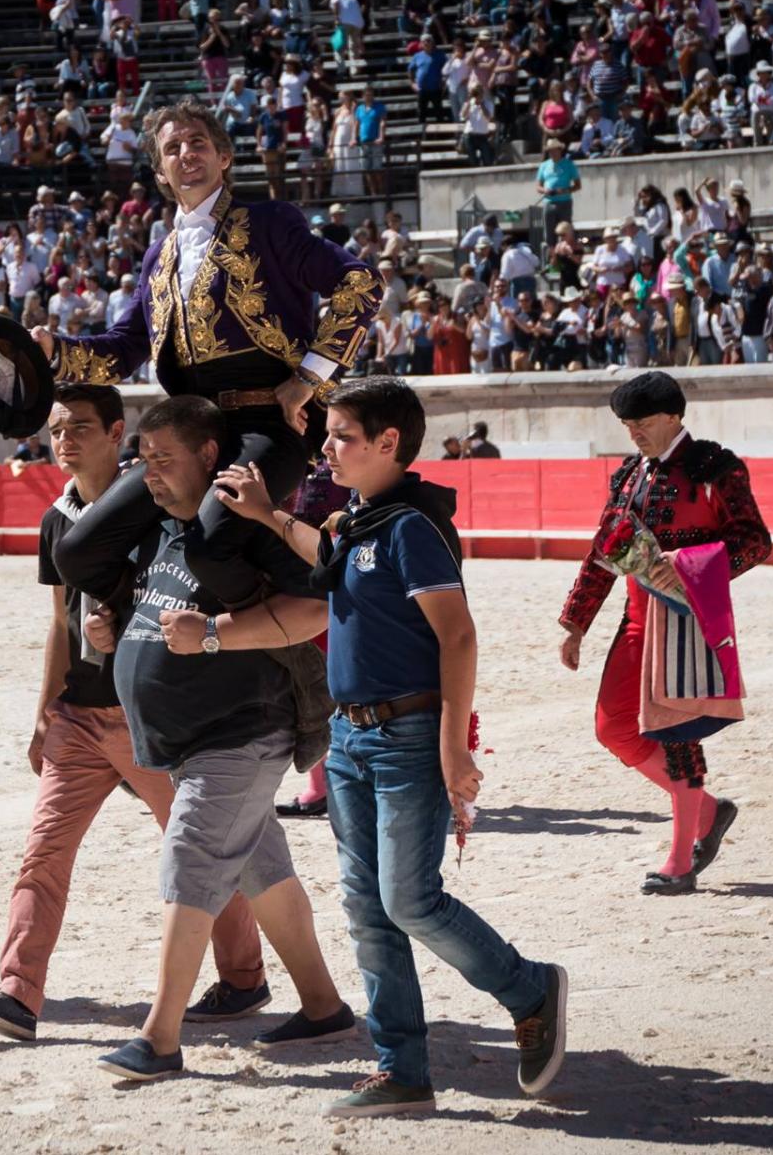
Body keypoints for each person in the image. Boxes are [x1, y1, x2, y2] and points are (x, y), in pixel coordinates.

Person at [215, 378, 568, 1114]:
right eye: (328, 433)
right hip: (349, 739)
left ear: (388, 445)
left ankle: (531, 987)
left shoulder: (410, 527)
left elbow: (459, 635)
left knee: (409, 899)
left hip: (406, 735)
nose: (327, 447)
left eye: (342, 435)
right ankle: (401, 1068)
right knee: (369, 907)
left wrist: (452, 746)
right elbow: (327, 552)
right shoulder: (360, 522)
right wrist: (271, 516)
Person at [0, 385, 269, 1042]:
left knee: (201, 857)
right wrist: (44, 709)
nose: (63, 439)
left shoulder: (152, 507)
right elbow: (58, 623)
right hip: (79, 716)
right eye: (56, 427)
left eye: (79, 427)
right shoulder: (56, 517)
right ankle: (17, 992)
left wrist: (124, 625)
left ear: (116, 432)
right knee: (43, 853)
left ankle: (243, 977)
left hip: (146, 717)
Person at [85, 395, 354, 1084]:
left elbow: (311, 608)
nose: (149, 473)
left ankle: (159, 1036)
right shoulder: (164, 526)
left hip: (242, 728)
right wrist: (121, 635)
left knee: (192, 858)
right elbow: (160, 603)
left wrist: (210, 635)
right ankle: (323, 1007)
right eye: (143, 460)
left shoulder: (245, 526)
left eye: (164, 458)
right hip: (196, 737)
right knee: (262, 872)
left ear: (210, 456)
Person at [33, 97, 380, 614]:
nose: (186, 153)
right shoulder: (158, 256)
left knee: (212, 545)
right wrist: (53, 351)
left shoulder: (268, 222)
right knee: (77, 551)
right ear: (160, 173)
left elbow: (359, 282)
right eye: (173, 148)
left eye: (199, 143)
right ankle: (147, 618)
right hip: (188, 434)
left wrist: (309, 378)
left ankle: (296, 630)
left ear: (224, 158)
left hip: (270, 422)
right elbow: (124, 349)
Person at [558, 373, 771, 894]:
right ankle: (706, 811)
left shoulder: (714, 468)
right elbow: (604, 550)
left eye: (644, 422)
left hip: (689, 619)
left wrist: (694, 565)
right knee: (613, 728)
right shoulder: (630, 475)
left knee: (678, 737)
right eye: (628, 424)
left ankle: (680, 861)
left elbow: (755, 541)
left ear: (675, 416)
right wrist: (575, 622)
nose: (634, 433)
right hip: (636, 619)